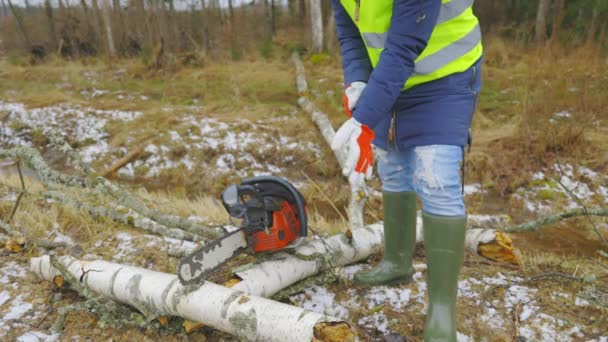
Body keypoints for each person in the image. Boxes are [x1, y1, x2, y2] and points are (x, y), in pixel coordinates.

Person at [330, 0, 483, 340]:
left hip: (445, 77)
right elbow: (351, 35)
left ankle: (442, 308)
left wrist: (365, 119)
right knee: (394, 168)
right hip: (388, 79)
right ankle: (397, 264)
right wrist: (357, 82)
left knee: (436, 180)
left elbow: (403, 46)